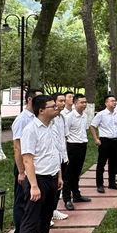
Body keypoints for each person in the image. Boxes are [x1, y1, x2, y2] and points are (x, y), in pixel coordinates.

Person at [19, 95, 66, 233]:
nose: (56, 108)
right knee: (30, 220)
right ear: (41, 110)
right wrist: (33, 186)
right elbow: (28, 160)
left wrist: (59, 176)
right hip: (37, 180)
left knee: (46, 217)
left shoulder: (52, 126)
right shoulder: (31, 130)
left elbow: (55, 153)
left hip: (52, 178)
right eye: (52, 106)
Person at [11, 87, 42, 233]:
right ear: (30, 100)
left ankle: (30, 228)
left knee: (30, 199)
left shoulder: (36, 118)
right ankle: (19, 232)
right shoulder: (22, 119)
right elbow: (17, 147)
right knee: (21, 199)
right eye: (39, 99)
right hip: (23, 165)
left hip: (33, 165)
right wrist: (21, 171)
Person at [63, 93, 92, 210]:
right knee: (68, 174)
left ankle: (76, 194)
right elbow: (65, 134)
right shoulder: (69, 117)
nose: (84, 105)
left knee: (77, 172)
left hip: (82, 145)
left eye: (85, 102)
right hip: (72, 146)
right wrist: (65, 152)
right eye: (81, 102)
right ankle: (67, 199)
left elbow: (83, 130)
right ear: (75, 104)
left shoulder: (84, 116)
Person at [89, 94, 117, 193]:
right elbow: (92, 126)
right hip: (105, 141)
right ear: (106, 103)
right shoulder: (101, 114)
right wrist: (96, 139)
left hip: (115, 141)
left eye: (115, 101)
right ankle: (100, 184)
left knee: (113, 163)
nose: (114, 102)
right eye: (112, 101)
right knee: (101, 164)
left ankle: (112, 183)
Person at [50, 92, 69, 221]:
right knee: (50, 187)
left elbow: (64, 137)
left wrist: (65, 155)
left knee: (58, 185)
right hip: (52, 158)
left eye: (64, 101)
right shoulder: (49, 119)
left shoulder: (62, 117)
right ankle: (47, 213)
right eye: (61, 101)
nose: (63, 103)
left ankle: (54, 209)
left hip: (62, 156)